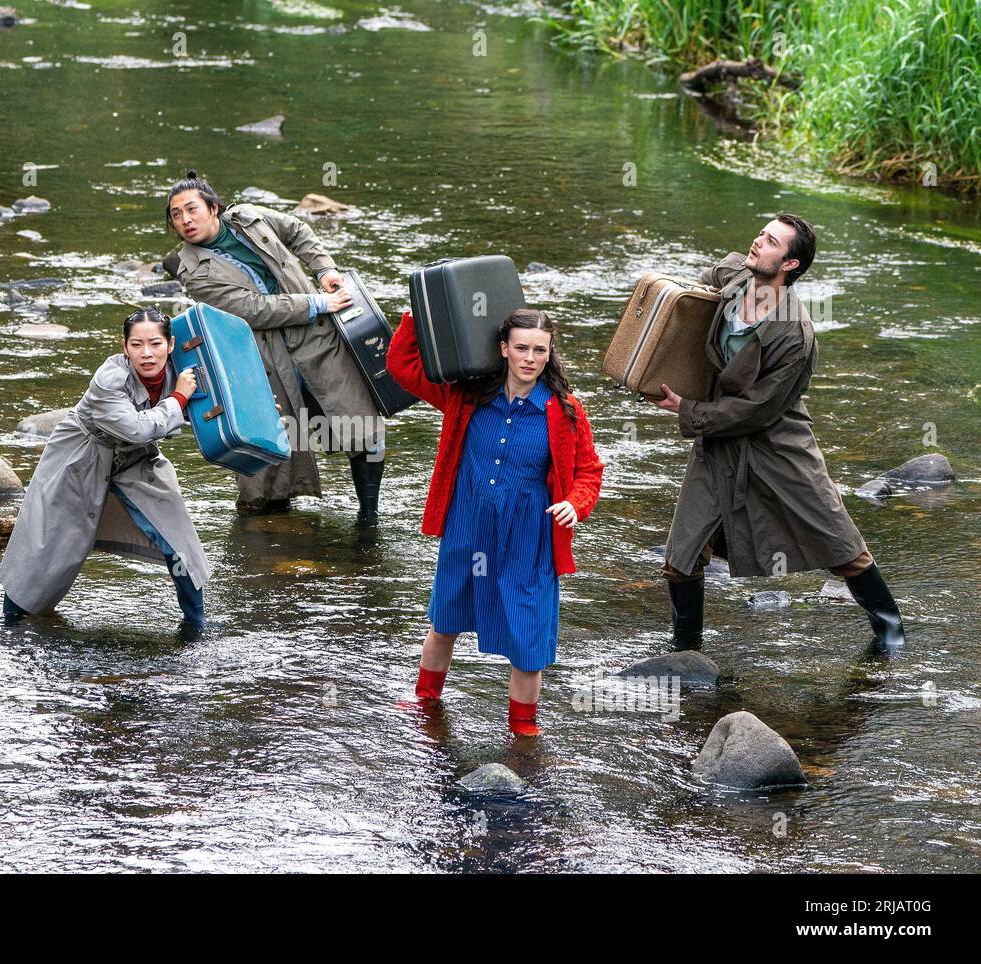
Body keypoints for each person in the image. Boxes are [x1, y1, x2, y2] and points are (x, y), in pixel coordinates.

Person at [651, 214, 906, 650]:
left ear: (789, 265)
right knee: (682, 556)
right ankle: (686, 653)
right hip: (719, 443)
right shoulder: (734, 275)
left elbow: (758, 410)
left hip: (778, 444)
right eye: (761, 233)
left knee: (838, 541)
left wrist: (688, 410)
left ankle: (891, 631)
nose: (757, 242)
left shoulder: (795, 334)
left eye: (770, 241)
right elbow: (705, 281)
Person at [386, 307, 604, 736]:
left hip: (530, 536)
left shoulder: (564, 410)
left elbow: (589, 470)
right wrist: (419, 315)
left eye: (539, 350)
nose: (530, 357)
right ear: (503, 349)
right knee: (445, 618)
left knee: (528, 640)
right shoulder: (466, 396)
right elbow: (402, 366)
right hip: (467, 526)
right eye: (521, 347)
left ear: (548, 354)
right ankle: (425, 701)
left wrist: (576, 505)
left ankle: (523, 731)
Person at [161, 170, 387, 525]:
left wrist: (324, 269)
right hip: (264, 358)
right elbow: (252, 309)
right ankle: (267, 528)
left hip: (317, 340)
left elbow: (298, 231)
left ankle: (369, 517)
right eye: (176, 215)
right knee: (273, 458)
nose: (185, 220)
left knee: (362, 424)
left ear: (214, 208)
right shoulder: (191, 271)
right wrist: (319, 303)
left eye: (192, 209)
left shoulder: (250, 216)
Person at [0, 308, 212, 630]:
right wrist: (180, 397)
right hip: (81, 456)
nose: (146, 354)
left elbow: (212, 414)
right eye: (136, 345)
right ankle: (13, 621)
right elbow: (138, 428)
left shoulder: (182, 371)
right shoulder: (109, 379)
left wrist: (254, 418)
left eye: (155, 344)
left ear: (170, 345)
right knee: (49, 545)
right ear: (124, 347)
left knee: (179, 541)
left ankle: (196, 624)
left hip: (137, 459)